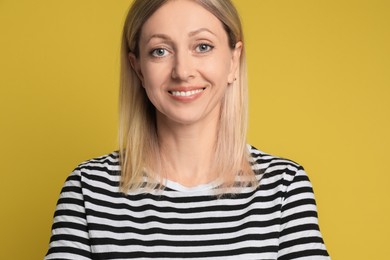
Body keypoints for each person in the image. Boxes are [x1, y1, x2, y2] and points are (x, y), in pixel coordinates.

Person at [45, 0, 330, 259]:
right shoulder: (88, 189)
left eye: (202, 46)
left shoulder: (283, 187)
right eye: (160, 51)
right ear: (138, 69)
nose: (182, 71)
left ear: (233, 60)